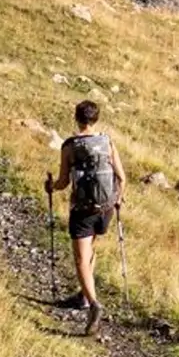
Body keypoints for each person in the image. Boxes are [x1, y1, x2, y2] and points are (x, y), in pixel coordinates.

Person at [45, 99, 125, 335]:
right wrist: (118, 199)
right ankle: (84, 295)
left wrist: (50, 186)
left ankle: (93, 304)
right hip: (106, 208)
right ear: (95, 119)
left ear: (76, 118)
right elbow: (122, 177)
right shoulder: (107, 142)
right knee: (91, 248)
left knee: (81, 259)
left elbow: (63, 182)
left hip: (82, 210)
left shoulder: (70, 146)